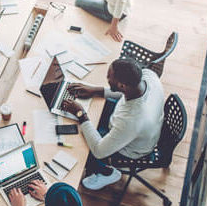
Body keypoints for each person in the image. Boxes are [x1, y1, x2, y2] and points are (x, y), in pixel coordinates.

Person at [62, 58, 164, 190]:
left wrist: (80, 113)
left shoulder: (133, 120)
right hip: (132, 123)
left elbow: (99, 151)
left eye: (109, 77)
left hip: (130, 149)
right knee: (94, 114)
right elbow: (124, 94)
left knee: (82, 144)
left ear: (122, 86)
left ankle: (107, 172)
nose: (107, 78)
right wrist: (95, 91)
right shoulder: (148, 75)